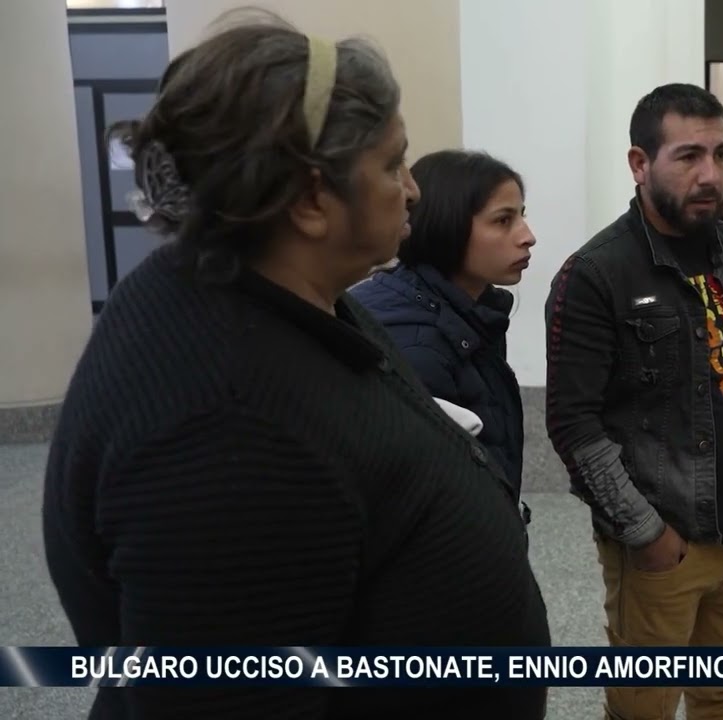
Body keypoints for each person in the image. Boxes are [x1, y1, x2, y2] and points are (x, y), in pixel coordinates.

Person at [42, 13, 549, 719]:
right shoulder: (227, 433)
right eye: (391, 164)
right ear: (311, 198)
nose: (412, 189)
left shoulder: (258, 287)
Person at [545, 83, 723, 720]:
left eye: (720, 154)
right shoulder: (596, 274)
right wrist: (648, 536)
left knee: (722, 697)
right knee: (644, 708)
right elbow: (573, 425)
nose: (710, 174)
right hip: (664, 546)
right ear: (639, 163)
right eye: (688, 156)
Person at [352, 150, 535, 526]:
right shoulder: (415, 344)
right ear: (446, 225)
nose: (527, 237)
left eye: (522, 215)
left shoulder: (469, 310)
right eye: (503, 220)